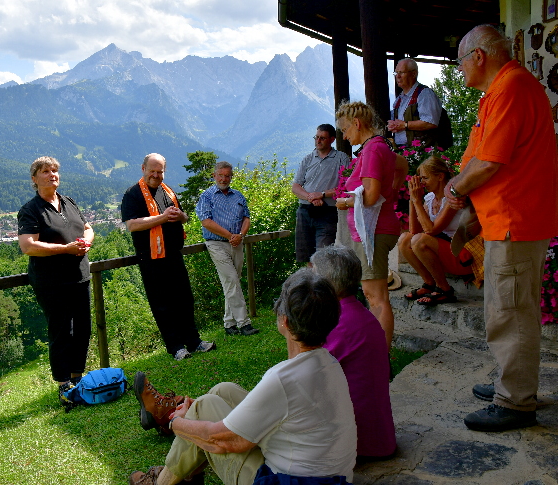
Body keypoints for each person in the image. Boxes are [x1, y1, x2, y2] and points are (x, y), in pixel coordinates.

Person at [129, 269, 356, 485]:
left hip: (292, 480)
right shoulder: (329, 362)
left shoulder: (283, 379)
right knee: (222, 390)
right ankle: (188, 473)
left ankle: (162, 481)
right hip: (329, 475)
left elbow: (222, 441)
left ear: (284, 321)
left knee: (203, 407)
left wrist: (176, 423)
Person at [445, 24, 558, 432]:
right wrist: (460, 187)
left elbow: (491, 161)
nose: (458, 71)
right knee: (505, 308)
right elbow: (479, 155)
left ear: (479, 56)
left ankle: (515, 401)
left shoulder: (510, 89)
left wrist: (456, 188)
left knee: (510, 312)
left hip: (514, 221)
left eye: (459, 63)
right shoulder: (501, 91)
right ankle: (510, 384)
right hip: (509, 221)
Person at [121, 153, 215, 361]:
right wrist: (161, 218)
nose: (156, 175)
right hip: (151, 258)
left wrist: (181, 216)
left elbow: (184, 216)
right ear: (143, 168)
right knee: (162, 304)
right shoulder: (133, 194)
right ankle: (175, 347)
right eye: (152, 171)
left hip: (173, 254)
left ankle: (194, 341)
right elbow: (132, 225)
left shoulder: (168, 191)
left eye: (159, 171)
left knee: (184, 299)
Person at [17, 156, 95, 406]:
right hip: (52, 282)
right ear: (34, 179)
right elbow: (28, 246)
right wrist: (66, 249)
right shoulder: (31, 209)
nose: (52, 175)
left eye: (55, 171)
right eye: (46, 171)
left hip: (79, 276)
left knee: (83, 329)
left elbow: (87, 227)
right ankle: (63, 385)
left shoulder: (68, 201)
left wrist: (87, 242)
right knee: (62, 332)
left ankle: (77, 379)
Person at [310, 245, 396, 460]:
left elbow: (302, 381)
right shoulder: (360, 314)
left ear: (326, 283)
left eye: (313, 275)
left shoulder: (339, 324)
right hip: (376, 436)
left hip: (358, 444)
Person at [335, 101, 408, 350]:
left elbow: (371, 195)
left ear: (357, 124)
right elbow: (403, 165)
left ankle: (380, 357)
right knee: (375, 295)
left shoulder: (372, 151)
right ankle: (378, 352)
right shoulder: (379, 147)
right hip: (379, 228)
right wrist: (394, 190)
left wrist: (345, 201)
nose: (344, 137)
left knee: (376, 298)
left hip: (374, 231)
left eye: (345, 130)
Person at [195, 161, 258, 336]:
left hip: (237, 243)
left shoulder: (238, 196)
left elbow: (247, 218)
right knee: (232, 281)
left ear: (231, 177)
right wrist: (230, 235)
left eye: (227, 176)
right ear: (214, 175)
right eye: (220, 175)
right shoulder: (206, 196)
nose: (224, 179)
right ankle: (244, 323)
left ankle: (229, 324)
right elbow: (206, 222)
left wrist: (240, 235)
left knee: (232, 283)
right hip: (216, 244)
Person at [398, 155, 467, 306]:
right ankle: (429, 283)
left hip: (462, 253)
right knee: (404, 239)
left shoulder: (452, 196)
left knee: (420, 241)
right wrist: (412, 199)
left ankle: (444, 289)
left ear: (440, 176)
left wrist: (417, 200)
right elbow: (414, 230)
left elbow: (431, 230)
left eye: (425, 178)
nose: (422, 183)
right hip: (444, 247)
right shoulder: (430, 198)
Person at [292, 124, 350, 265]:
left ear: (332, 139)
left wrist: (322, 195)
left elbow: (347, 186)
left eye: (322, 138)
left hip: (327, 212)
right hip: (305, 211)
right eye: (316, 137)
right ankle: (312, 285)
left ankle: (322, 285)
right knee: (306, 255)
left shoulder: (342, 158)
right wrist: (311, 198)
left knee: (323, 256)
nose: (318, 141)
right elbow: (295, 187)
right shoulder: (308, 159)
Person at [386, 58, 443, 148]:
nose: (398, 76)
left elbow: (430, 122)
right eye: (396, 73)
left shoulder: (424, 94)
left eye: (401, 72)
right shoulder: (399, 99)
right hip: (403, 150)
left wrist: (405, 125)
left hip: (422, 153)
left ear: (413, 74)